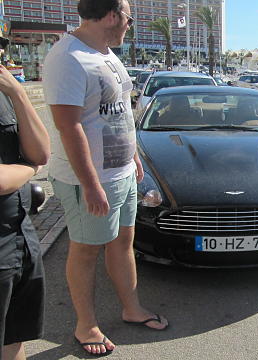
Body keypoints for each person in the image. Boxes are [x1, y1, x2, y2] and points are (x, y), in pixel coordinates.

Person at [43, 0, 168, 356]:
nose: (130, 23)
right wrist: (91, 184)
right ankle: (86, 326)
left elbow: (120, 113)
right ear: (112, 16)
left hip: (122, 173)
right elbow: (69, 126)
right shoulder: (68, 57)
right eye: (128, 17)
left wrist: (133, 157)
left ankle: (131, 309)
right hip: (91, 180)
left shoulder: (107, 54)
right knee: (85, 252)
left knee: (122, 243)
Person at [0, 35, 50, 360]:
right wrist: (30, 168)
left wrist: (18, 92)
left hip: (19, 240)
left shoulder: (6, 92)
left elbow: (41, 149)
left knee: (14, 338)